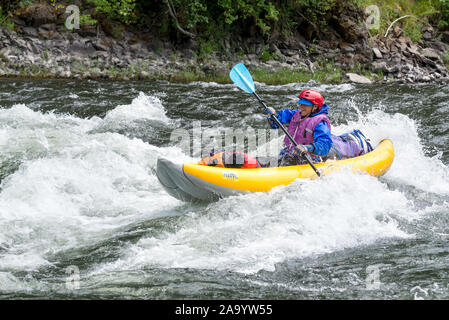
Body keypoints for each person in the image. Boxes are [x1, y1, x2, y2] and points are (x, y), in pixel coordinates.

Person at [265, 89, 373, 167]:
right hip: (291, 153)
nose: (301, 107)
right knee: (280, 159)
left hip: (311, 157)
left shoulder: (320, 123)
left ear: (315, 107)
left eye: (305, 105)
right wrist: (272, 116)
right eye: (301, 104)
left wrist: (307, 148)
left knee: (287, 160)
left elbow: (325, 144)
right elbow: (275, 125)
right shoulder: (295, 115)